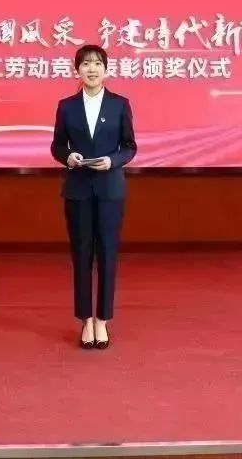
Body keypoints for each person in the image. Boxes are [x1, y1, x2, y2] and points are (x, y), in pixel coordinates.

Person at [50, 44, 137, 350]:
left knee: (108, 255)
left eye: (97, 64)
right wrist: (68, 157)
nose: (91, 69)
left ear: (106, 70)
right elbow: (57, 146)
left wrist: (113, 161)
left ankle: (103, 319)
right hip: (78, 190)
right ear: (77, 70)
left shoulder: (119, 104)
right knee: (82, 255)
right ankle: (86, 319)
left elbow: (130, 146)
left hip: (110, 189)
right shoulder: (66, 106)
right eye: (85, 64)